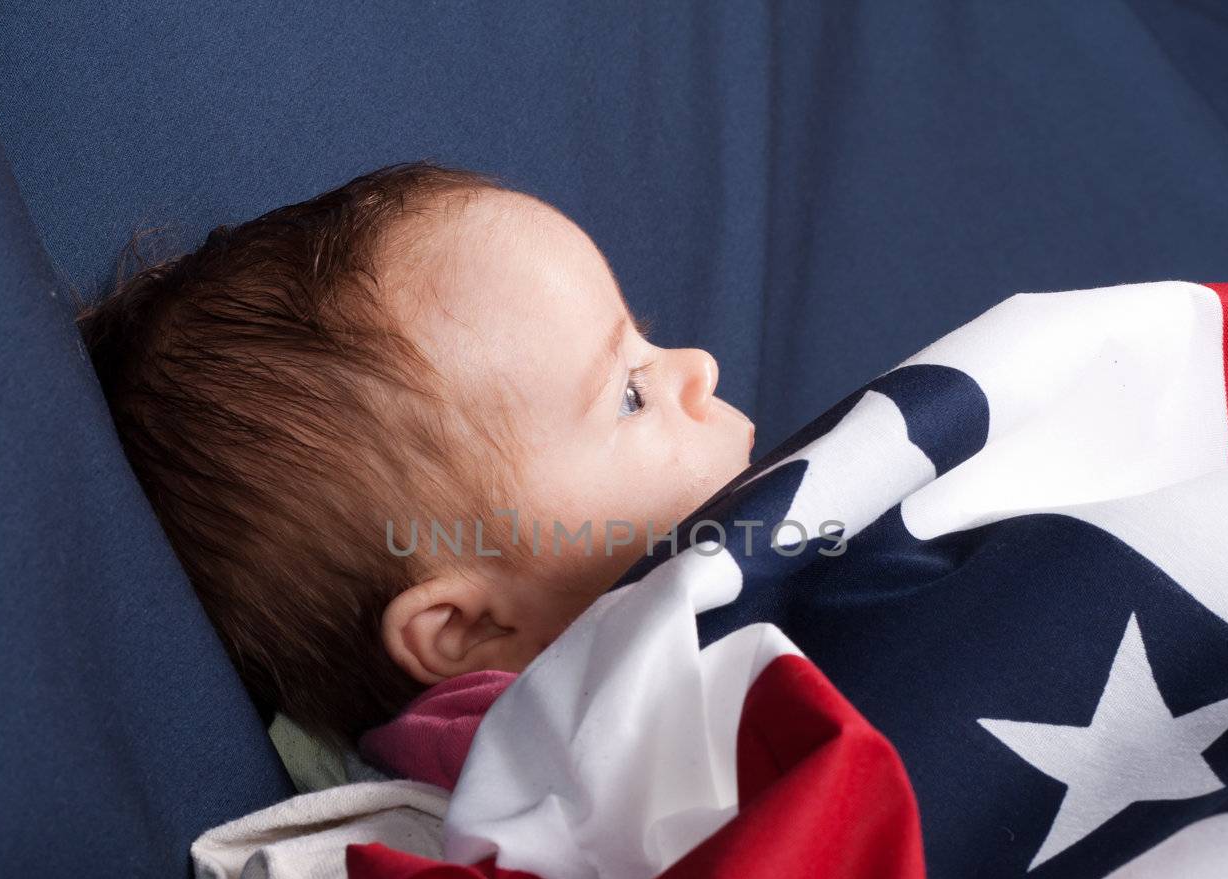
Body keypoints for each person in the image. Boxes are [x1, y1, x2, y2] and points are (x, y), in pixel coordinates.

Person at [81, 161, 755, 752]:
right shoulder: (604, 786)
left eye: (643, 341)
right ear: (469, 629)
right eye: (630, 396)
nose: (700, 366)